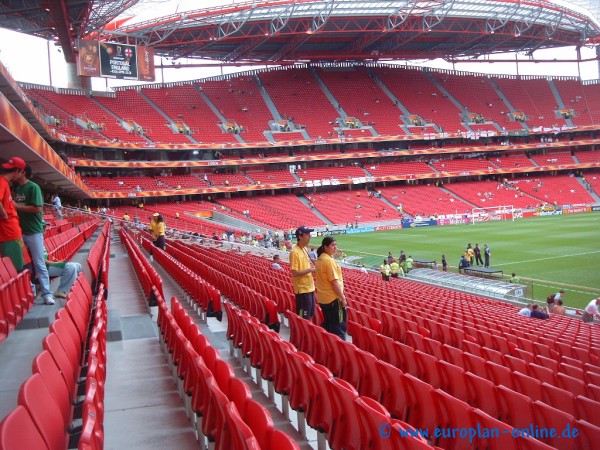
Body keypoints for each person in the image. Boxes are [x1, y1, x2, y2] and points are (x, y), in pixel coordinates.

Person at [13, 163, 55, 305]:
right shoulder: (17, 188)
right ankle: (29, 290)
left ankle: (47, 294)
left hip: (33, 232)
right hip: (19, 231)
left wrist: (17, 206)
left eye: (15, 171)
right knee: (22, 263)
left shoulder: (33, 187)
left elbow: (38, 208)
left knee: (39, 263)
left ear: (22, 172)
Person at [315, 236, 346, 340]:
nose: (335, 247)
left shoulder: (320, 259)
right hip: (333, 299)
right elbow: (334, 282)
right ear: (325, 247)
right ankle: (341, 351)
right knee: (338, 328)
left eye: (336, 245)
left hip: (323, 298)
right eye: (333, 245)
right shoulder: (328, 261)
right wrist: (342, 297)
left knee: (329, 325)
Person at [0, 157, 26, 273]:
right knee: (16, 271)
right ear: (17, 171)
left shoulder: (5, 183)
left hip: (11, 232)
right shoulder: (2, 182)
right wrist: (4, 214)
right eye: (21, 173)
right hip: (9, 233)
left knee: (18, 268)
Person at [289, 226, 316, 320]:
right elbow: (294, 273)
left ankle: (309, 334)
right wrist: (311, 270)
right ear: (300, 236)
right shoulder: (294, 252)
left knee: (311, 315)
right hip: (302, 290)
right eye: (307, 234)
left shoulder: (304, 249)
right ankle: (304, 334)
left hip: (310, 288)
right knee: (303, 318)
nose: (310, 236)